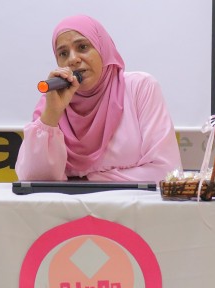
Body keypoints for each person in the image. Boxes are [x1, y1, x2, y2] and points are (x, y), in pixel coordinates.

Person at [15, 15, 182, 182]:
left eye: (82, 47)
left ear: (103, 49)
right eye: (63, 53)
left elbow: (166, 172)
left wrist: (88, 180)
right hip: (70, 201)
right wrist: (52, 116)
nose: (73, 59)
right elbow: (32, 179)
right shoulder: (53, 100)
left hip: (126, 200)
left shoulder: (139, 87)